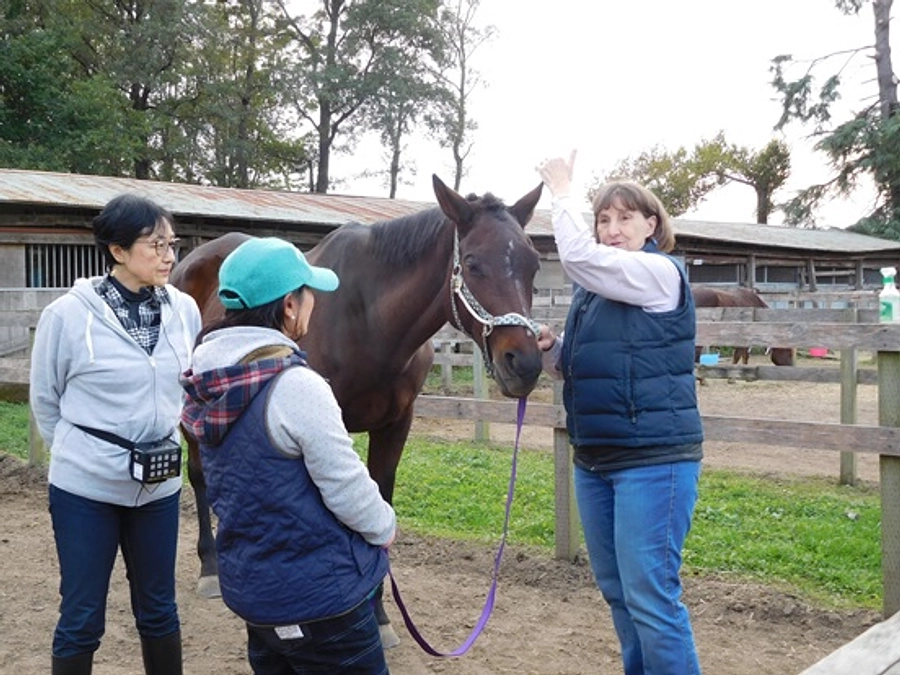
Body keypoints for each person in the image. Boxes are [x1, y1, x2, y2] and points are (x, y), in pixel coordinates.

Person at [179, 236, 397, 675]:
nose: (314, 302)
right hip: (323, 600)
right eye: (307, 292)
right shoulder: (296, 387)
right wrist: (384, 526)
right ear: (290, 307)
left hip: (254, 594)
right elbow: (346, 486)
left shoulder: (206, 376)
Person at [536, 151, 704, 675]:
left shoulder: (657, 272)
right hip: (597, 460)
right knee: (619, 594)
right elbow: (587, 364)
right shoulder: (595, 293)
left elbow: (579, 258)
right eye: (603, 219)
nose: (612, 229)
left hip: (652, 461)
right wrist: (552, 349)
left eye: (624, 218)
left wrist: (562, 189)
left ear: (651, 225)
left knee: (651, 599)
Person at [30, 194, 201, 675]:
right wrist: (83, 455)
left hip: (159, 487)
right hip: (86, 488)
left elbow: (186, 387)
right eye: (155, 244)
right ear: (118, 250)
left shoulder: (184, 310)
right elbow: (47, 399)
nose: (169, 255)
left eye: (172, 243)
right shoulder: (68, 316)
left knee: (160, 609)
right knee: (83, 615)